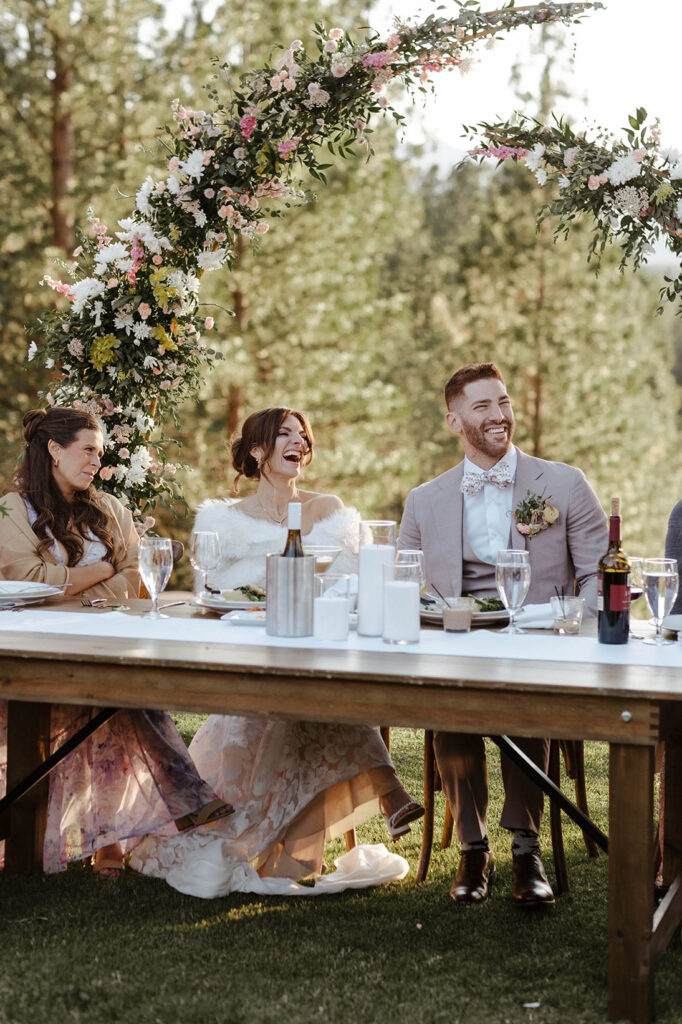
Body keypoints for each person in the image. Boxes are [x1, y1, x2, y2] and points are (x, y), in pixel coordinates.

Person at [129, 406, 424, 897]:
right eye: (284, 434)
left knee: (321, 693)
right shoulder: (225, 519)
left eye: (303, 435)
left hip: (317, 645)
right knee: (319, 704)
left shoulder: (331, 510)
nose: (298, 442)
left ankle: (384, 792)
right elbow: (214, 591)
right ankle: (389, 789)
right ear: (256, 451)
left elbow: (353, 585)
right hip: (252, 652)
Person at [399, 363, 607, 909]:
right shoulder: (424, 499)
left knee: (522, 707)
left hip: (539, 640)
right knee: (452, 711)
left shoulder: (563, 483)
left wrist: (570, 624)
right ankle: (473, 847)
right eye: (483, 407)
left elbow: (595, 574)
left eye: (504, 402)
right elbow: (407, 583)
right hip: (457, 641)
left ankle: (524, 847)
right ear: (454, 420)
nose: (499, 416)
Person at [0, 407, 232, 876]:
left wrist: (75, 584)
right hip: (37, 651)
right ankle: (178, 799)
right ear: (53, 450)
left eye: (100, 453)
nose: (96, 462)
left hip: (106, 638)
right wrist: (102, 571)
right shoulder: (11, 509)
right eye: (88, 449)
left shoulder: (110, 508)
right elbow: (24, 578)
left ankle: (113, 838)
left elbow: (137, 578)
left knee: (123, 696)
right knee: (119, 703)